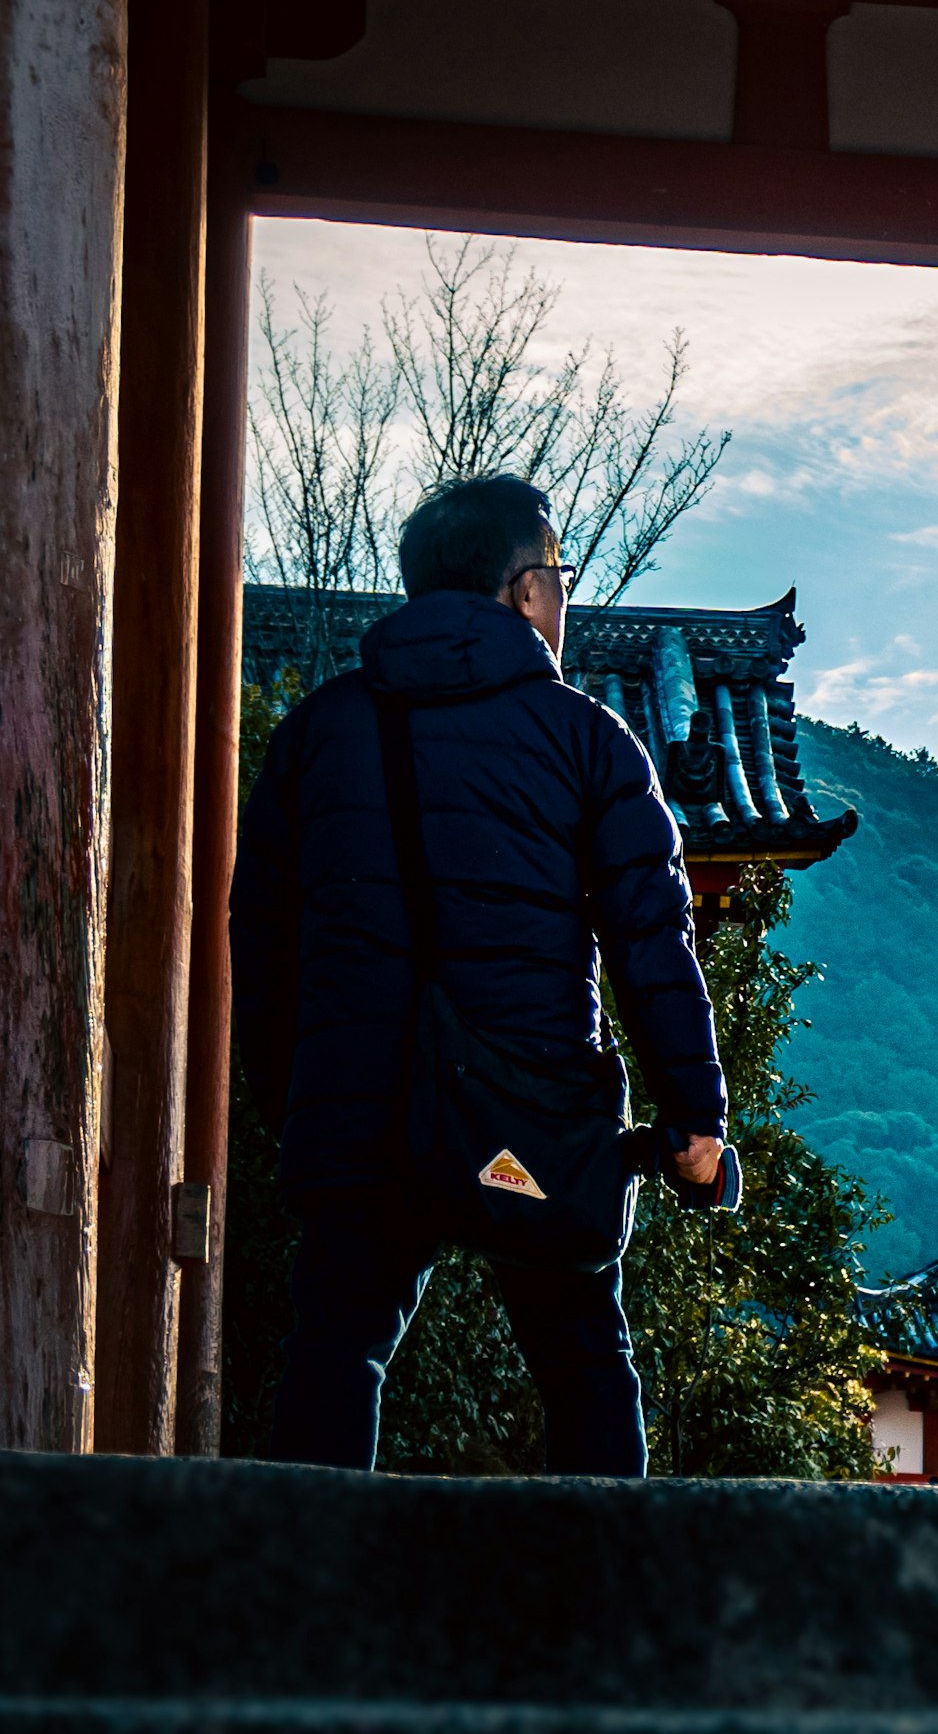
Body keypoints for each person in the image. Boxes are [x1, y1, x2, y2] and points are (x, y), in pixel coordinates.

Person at [233, 475, 728, 1474]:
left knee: (335, 1355)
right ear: (524, 589)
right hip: (527, 1109)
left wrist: (293, 1100)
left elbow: (261, 932)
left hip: (358, 1113)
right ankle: (596, 1611)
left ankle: (300, 1609)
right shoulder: (588, 738)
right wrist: (696, 1119)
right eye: (559, 573)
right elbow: (650, 939)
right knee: (584, 1363)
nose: (564, 597)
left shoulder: (316, 734)